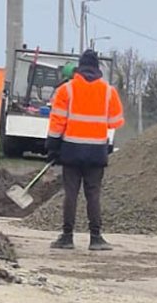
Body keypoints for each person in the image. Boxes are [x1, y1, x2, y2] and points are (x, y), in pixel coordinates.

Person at [46, 50, 125, 251]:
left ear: (79, 68)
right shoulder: (108, 91)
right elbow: (115, 121)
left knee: (71, 193)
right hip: (97, 151)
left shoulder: (66, 90)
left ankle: (67, 237)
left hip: (71, 149)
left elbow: (57, 123)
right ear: (98, 68)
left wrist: (53, 148)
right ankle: (96, 238)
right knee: (93, 194)